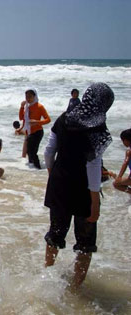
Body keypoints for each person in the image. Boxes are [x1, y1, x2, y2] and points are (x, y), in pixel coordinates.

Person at [44, 82, 114, 289]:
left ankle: (47, 274)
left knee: (55, 233)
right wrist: (95, 201)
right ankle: (75, 287)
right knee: (85, 243)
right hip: (83, 190)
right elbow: (93, 165)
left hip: (59, 183)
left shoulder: (65, 118)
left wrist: (53, 175)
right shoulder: (97, 127)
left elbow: (49, 152)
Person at [19, 88, 51, 169]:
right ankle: (32, 169)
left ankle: (38, 168)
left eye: (30, 97)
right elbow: (21, 118)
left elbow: (48, 119)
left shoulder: (39, 106)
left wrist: (37, 122)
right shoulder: (26, 107)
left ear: (34, 96)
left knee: (33, 152)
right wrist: (22, 107)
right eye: (26, 97)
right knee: (29, 152)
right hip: (28, 132)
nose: (28, 99)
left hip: (37, 132)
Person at [113, 128, 131, 194]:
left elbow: (125, 163)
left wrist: (119, 177)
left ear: (126, 140)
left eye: (122, 141)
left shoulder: (129, 151)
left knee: (116, 184)